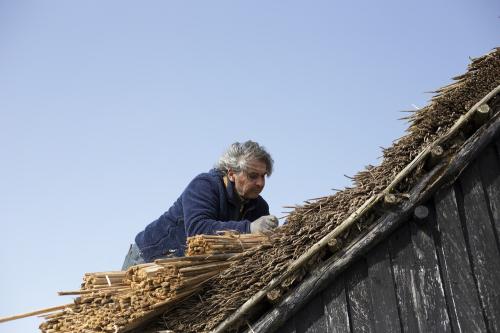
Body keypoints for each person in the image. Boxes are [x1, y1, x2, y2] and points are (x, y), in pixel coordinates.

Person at [122, 140, 278, 270]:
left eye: (263, 176)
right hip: (148, 258)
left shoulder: (259, 207)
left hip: (186, 269)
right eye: (253, 176)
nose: (260, 183)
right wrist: (249, 229)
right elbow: (198, 230)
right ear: (231, 174)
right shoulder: (205, 185)